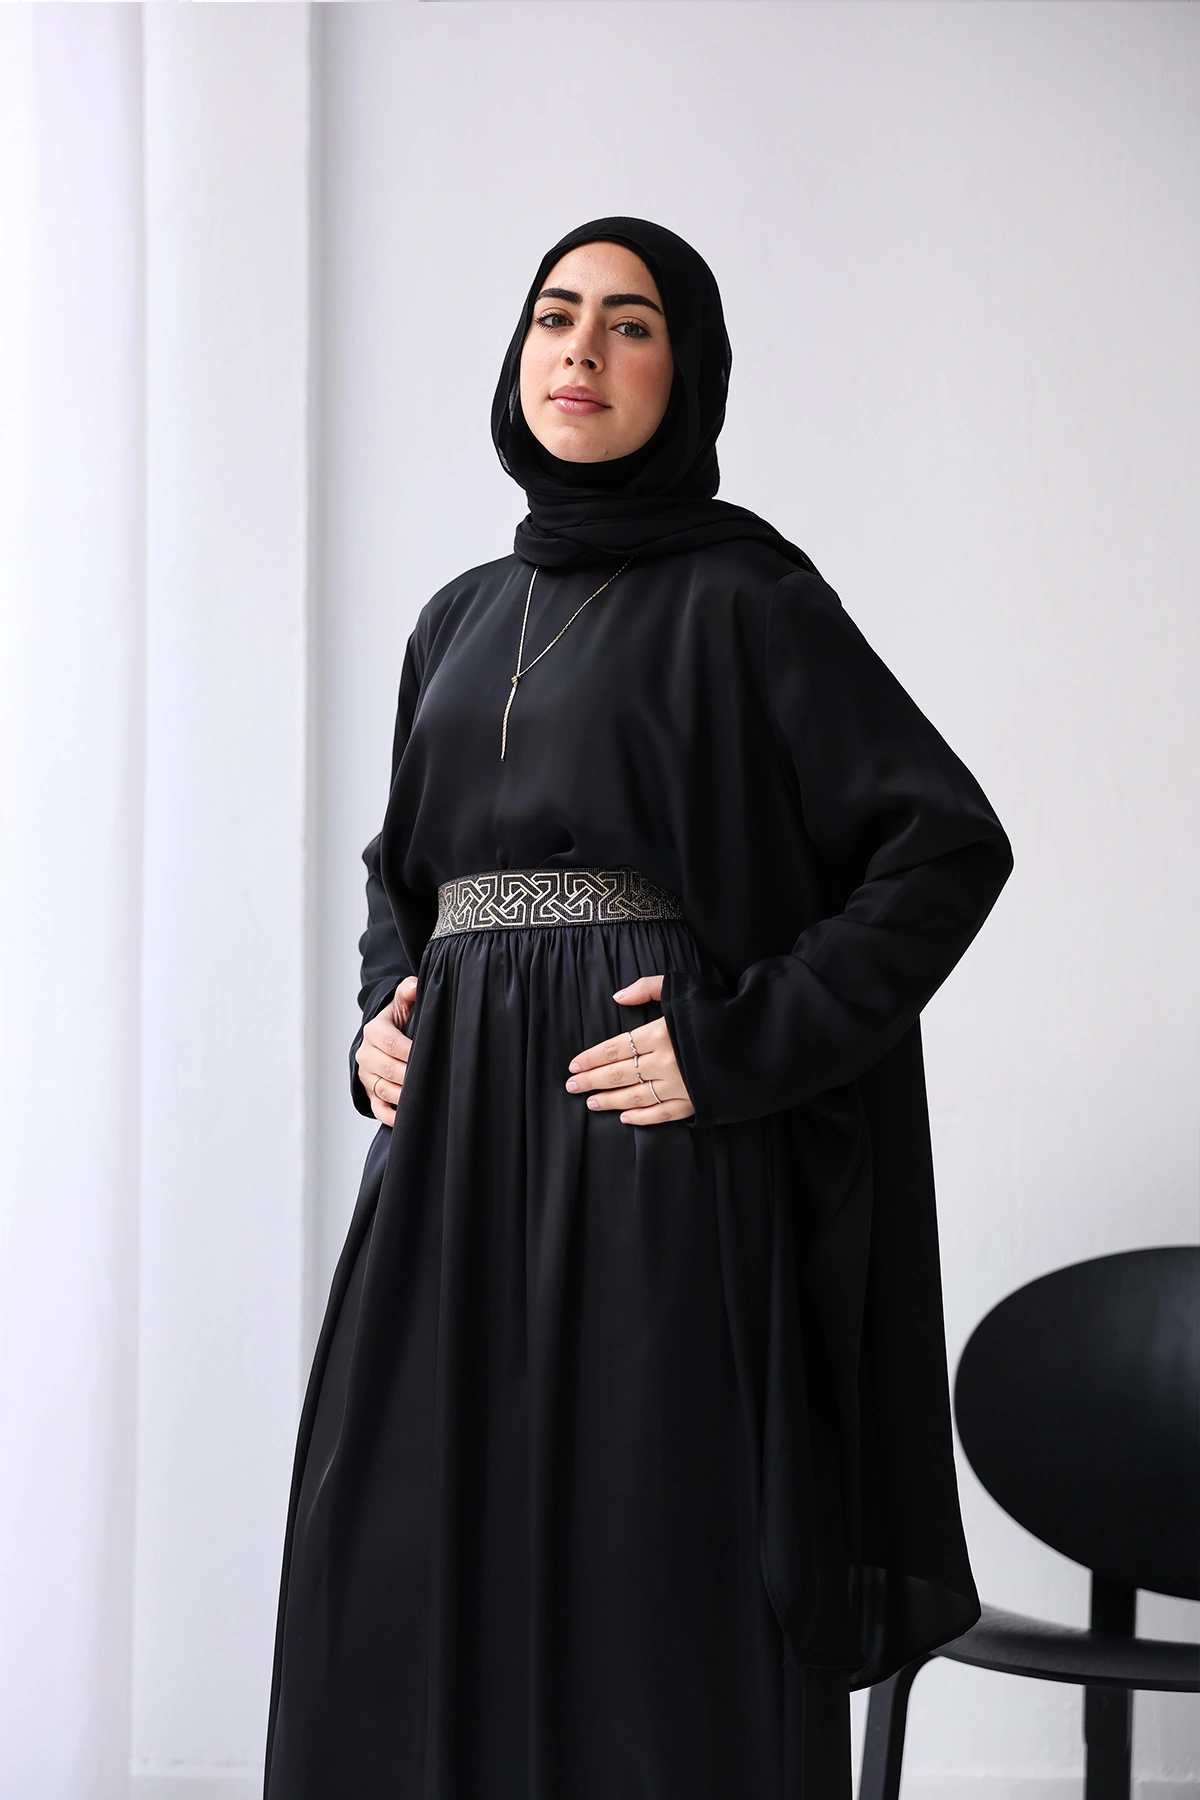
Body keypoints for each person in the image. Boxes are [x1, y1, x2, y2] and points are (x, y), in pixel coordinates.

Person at [263, 216, 1014, 1800]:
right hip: (454, 1164)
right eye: (555, 316)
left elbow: (944, 845)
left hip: (649, 1160)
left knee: (646, 1570)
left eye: (630, 323)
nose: (582, 352)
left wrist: (738, 1045)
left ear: (692, 373)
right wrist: (384, 1007)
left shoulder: (751, 598)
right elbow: (406, 871)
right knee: (390, 1557)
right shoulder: (457, 618)